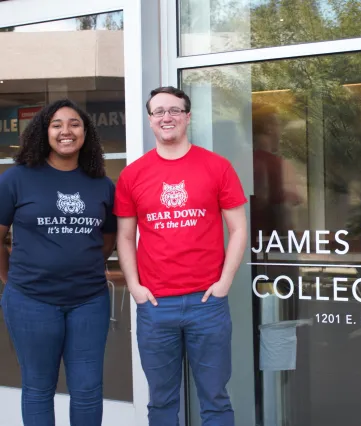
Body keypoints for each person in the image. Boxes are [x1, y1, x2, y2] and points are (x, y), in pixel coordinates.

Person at [114, 86, 248, 426]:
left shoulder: (217, 167)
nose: (166, 117)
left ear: (188, 117)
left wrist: (224, 283)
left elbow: (239, 230)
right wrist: (135, 287)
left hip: (208, 303)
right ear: (149, 120)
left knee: (215, 400)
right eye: (158, 112)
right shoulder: (133, 175)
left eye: (174, 110)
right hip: (156, 306)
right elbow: (126, 236)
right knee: (161, 402)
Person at [0, 99, 117, 426]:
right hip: (30, 301)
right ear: (44, 132)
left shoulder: (101, 184)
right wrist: (9, 278)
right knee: (38, 388)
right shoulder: (17, 179)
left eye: (75, 124)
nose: (66, 131)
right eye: (57, 124)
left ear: (86, 132)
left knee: (89, 390)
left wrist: (86, 265)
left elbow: (107, 238)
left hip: (89, 301)